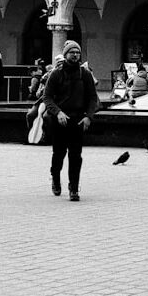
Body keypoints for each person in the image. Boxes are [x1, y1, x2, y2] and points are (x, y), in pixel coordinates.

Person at [42, 40, 99, 202]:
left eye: (77, 53)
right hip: (60, 120)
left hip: (78, 119)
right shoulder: (56, 73)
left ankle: (74, 188)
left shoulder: (85, 74)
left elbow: (92, 97)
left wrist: (89, 116)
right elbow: (47, 97)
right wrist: (58, 112)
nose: (75, 55)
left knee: (76, 155)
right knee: (58, 153)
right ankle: (55, 178)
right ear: (65, 54)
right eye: (72, 52)